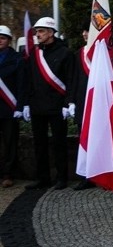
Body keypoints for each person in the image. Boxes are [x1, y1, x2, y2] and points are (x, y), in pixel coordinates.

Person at [22, 17, 76, 190]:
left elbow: (70, 80)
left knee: (59, 143)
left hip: (57, 106)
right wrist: (26, 104)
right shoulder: (34, 54)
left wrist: (69, 103)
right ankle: (42, 178)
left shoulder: (65, 53)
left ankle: (62, 178)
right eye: (37, 31)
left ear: (51, 32)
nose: (38, 34)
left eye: (42, 31)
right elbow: (28, 80)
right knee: (39, 144)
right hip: (37, 105)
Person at [71, 23, 95, 191]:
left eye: (88, 30)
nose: (85, 34)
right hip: (82, 103)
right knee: (84, 139)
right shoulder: (78, 54)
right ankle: (85, 176)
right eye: (84, 31)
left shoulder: (105, 53)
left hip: (98, 104)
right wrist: (70, 101)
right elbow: (73, 79)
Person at [0, 25, 25, 188]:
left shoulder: (17, 59)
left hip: (9, 107)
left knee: (10, 142)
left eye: (2, 38)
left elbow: (21, 84)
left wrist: (20, 107)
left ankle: (8, 174)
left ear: (9, 40)